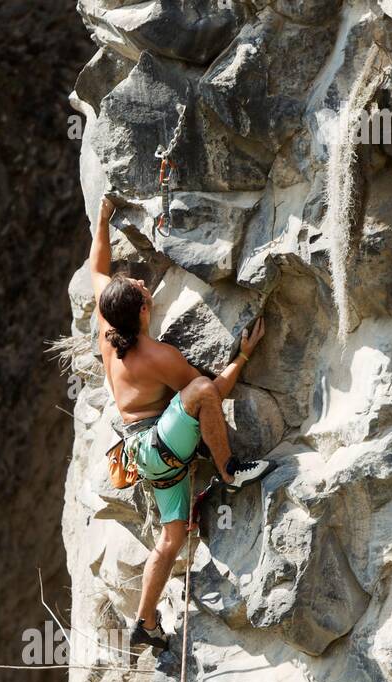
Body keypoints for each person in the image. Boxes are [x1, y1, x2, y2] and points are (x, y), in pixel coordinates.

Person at [89, 194, 268, 652]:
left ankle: (144, 622)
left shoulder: (107, 329)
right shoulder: (157, 356)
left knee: (170, 541)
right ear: (143, 313)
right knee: (200, 390)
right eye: (144, 293)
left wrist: (103, 221)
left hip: (144, 456)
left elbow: (97, 270)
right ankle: (229, 471)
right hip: (156, 447)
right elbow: (211, 395)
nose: (147, 290)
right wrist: (244, 356)